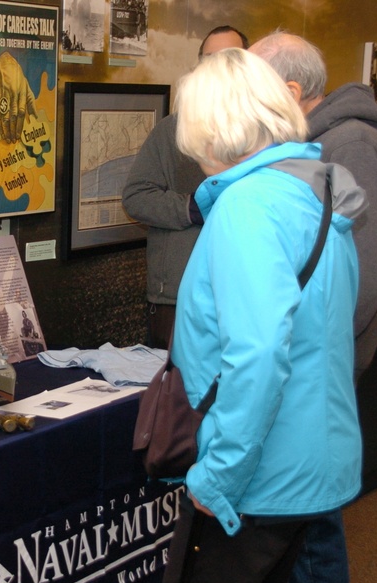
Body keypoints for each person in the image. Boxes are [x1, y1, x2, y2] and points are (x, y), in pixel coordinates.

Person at [158, 48, 367, 583]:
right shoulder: (317, 196)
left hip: (258, 473)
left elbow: (257, 358)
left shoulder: (248, 208)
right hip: (311, 462)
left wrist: (218, 477)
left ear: (210, 127)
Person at [250, 31, 377, 583]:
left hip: (316, 379)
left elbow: (358, 290)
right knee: (305, 539)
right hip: (309, 375)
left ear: (290, 92)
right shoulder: (325, 144)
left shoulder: (350, 148)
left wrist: (288, 351)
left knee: (314, 545)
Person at [121, 25, 248, 349]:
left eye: (228, 59)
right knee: (176, 397)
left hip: (244, 298)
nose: (217, 69)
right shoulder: (171, 131)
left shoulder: (264, 133)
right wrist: (192, 208)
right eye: (209, 59)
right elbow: (136, 197)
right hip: (177, 301)